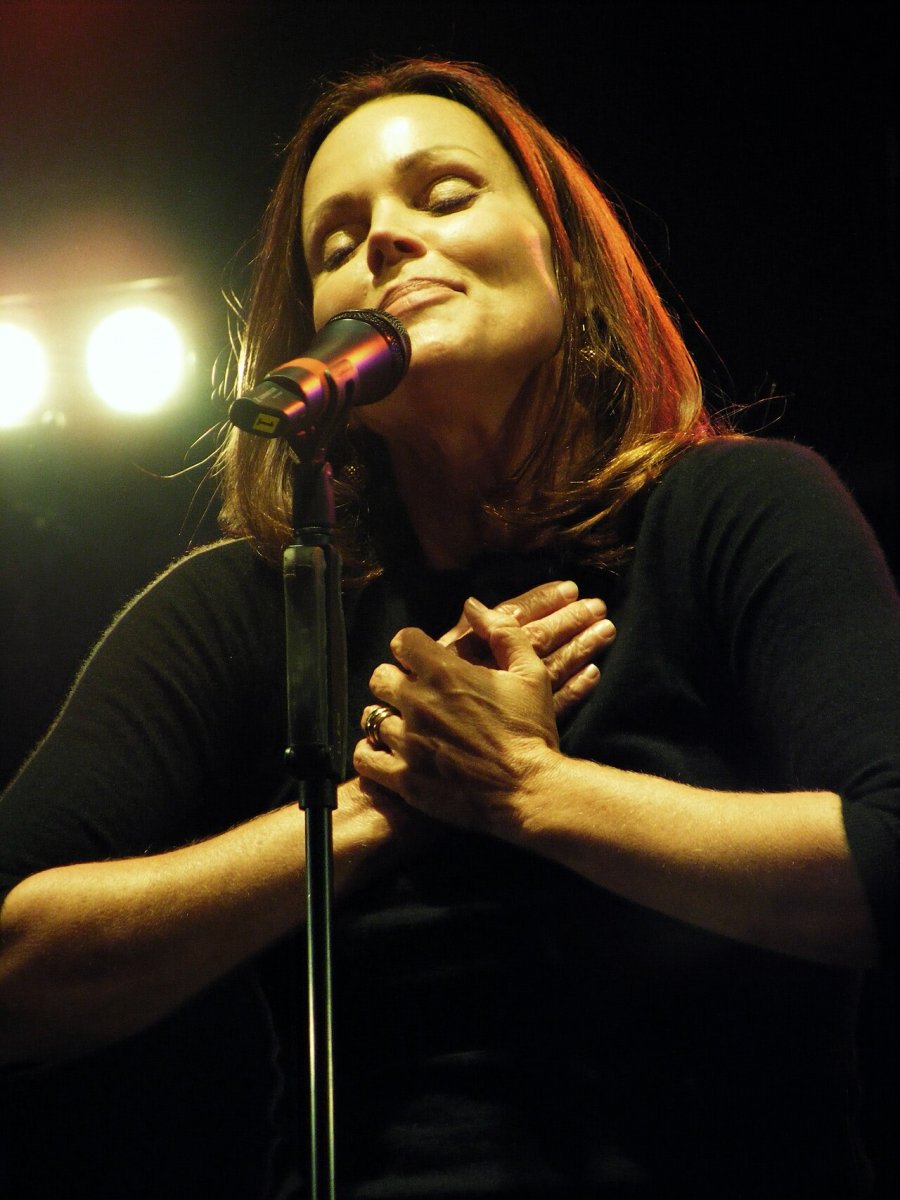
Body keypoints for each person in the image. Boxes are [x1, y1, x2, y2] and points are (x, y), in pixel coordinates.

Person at [0, 57, 897, 1200]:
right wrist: (369, 814)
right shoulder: (256, 602)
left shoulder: (735, 512)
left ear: (562, 257)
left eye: (445, 192)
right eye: (337, 239)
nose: (383, 238)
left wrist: (530, 789)